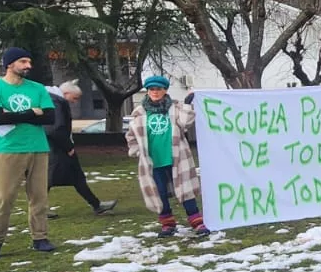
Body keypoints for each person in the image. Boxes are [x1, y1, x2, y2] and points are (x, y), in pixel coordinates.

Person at [0, 48, 57, 261]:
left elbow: (50, 117)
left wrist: (15, 115)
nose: (28, 66)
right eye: (23, 61)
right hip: (9, 149)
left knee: (39, 197)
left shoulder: (37, 88)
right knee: (3, 198)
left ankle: (40, 238)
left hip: (38, 147)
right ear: (9, 64)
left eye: (29, 61)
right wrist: (33, 112)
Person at [126, 76, 209, 237]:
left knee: (186, 190)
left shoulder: (175, 108)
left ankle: (196, 221)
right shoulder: (140, 113)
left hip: (176, 157)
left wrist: (187, 103)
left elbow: (186, 123)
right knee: (159, 193)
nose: (155, 92)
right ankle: (167, 224)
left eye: (158, 89)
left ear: (164, 90)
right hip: (153, 161)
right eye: (151, 89)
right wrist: (137, 151)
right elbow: (131, 136)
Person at [45, 81, 116, 218]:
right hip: (56, 149)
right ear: (66, 94)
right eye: (74, 98)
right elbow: (55, 129)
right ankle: (40, 210)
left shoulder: (55, 101)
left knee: (77, 178)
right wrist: (68, 147)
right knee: (47, 180)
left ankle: (97, 205)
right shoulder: (56, 103)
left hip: (58, 148)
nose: (74, 102)